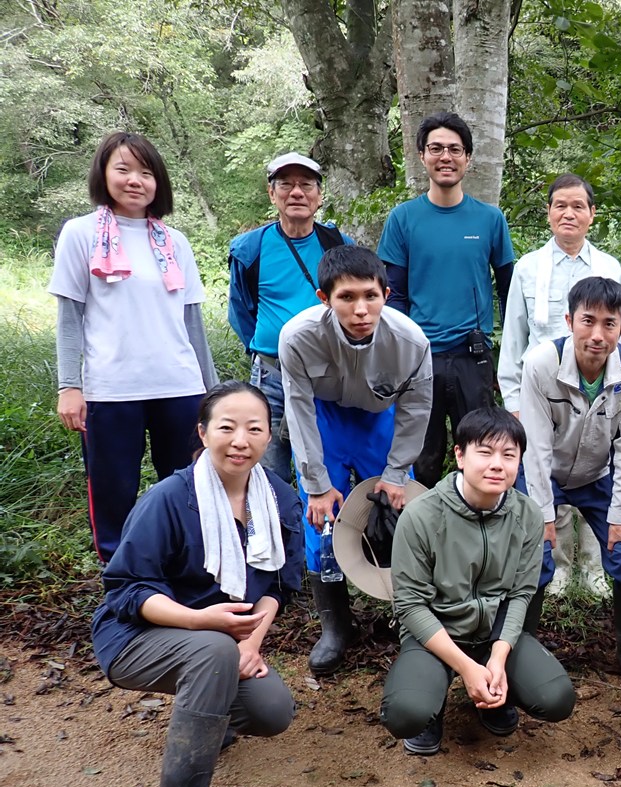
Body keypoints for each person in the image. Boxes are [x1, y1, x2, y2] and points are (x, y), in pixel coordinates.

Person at [92, 381, 302, 787]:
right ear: (203, 432)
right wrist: (206, 624)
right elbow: (126, 589)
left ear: (269, 435)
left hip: (224, 642)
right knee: (211, 654)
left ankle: (206, 720)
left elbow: (280, 585)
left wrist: (251, 642)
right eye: (226, 427)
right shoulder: (170, 497)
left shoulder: (277, 497)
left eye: (254, 428)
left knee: (273, 711)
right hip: (138, 638)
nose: (240, 440)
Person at [50, 131, 216, 563]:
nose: (135, 181)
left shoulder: (173, 241)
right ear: (103, 174)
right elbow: (69, 317)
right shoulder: (80, 234)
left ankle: (186, 574)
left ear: (158, 181)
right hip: (111, 390)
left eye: (146, 172)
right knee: (112, 494)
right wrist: (70, 385)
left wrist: (212, 393)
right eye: (123, 169)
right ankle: (122, 586)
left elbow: (191, 322)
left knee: (187, 488)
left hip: (179, 387)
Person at [381, 407, 577, 755]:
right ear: (459, 455)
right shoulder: (421, 515)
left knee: (556, 698)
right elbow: (410, 604)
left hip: (492, 631)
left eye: (509, 455)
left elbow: (521, 593)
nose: (497, 464)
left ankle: (495, 692)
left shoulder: (527, 514)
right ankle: (433, 703)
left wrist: (497, 659)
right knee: (406, 713)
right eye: (484, 452)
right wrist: (467, 668)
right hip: (435, 632)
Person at [278, 245, 433, 675]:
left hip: (378, 420)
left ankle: (411, 618)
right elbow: (298, 407)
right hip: (324, 419)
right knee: (321, 517)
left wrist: (397, 472)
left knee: (400, 513)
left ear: (386, 293)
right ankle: (336, 626)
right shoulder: (297, 336)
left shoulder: (411, 342)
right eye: (346, 297)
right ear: (323, 298)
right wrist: (316, 484)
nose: (361, 309)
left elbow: (417, 410)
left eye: (370, 295)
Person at [518, 277, 621, 687]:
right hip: (544, 473)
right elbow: (535, 446)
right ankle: (524, 647)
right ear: (569, 321)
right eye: (587, 321)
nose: (597, 335)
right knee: (533, 556)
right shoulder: (542, 363)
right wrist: (542, 515)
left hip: (598, 476)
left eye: (609, 324)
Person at [499, 173, 621, 597]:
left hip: (594, 391)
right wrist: (514, 403)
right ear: (549, 213)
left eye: (578, 206)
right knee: (545, 475)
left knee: (594, 469)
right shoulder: (528, 267)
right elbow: (514, 339)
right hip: (542, 395)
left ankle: (592, 568)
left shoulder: (608, 267)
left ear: (592, 214)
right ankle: (557, 567)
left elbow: (617, 339)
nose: (568, 213)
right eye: (560, 205)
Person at [377, 111, 516, 487]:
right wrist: (402, 354)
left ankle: (475, 538)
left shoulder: (489, 219)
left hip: (474, 358)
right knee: (422, 459)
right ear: (422, 155)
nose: (446, 157)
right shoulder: (403, 219)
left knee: (479, 453)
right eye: (436, 148)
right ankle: (419, 539)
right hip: (422, 359)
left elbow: (509, 292)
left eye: (455, 149)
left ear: (468, 158)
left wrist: (506, 360)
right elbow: (393, 297)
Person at [227, 152, 352, 479]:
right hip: (271, 374)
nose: (297, 192)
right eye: (286, 184)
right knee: (269, 467)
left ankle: (327, 528)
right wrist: (264, 346)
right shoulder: (250, 248)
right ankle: (275, 528)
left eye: (306, 185)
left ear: (318, 195)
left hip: (327, 375)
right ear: (272, 193)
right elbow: (241, 310)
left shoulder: (338, 245)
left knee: (325, 463)